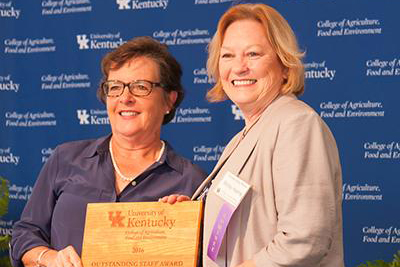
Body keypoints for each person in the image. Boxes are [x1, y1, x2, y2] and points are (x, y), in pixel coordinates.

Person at [161, 3, 345, 267]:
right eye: (228, 56)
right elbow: (243, 228)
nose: (239, 67)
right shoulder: (243, 137)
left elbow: (305, 239)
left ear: (284, 64)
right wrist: (194, 217)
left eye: (253, 54)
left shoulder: (297, 124)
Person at [10, 36, 207, 267]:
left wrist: (182, 231)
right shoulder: (65, 159)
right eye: (115, 87)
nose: (125, 98)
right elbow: (25, 233)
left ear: (168, 101)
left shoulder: (193, 183)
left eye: (140, 87)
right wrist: (49, 257)